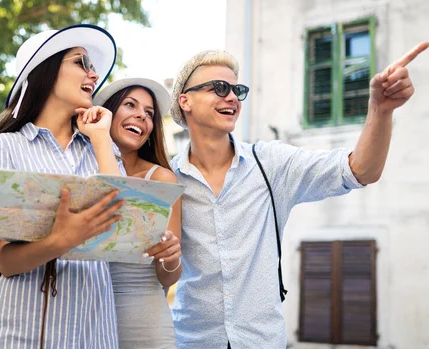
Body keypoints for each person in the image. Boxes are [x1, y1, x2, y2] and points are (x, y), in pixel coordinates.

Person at [167, 43, 429, 349]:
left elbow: (359, 170)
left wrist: (380, 110)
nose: (231, 97)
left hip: (262, 342)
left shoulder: (271, 164)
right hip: (191, 341)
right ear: (185, 100)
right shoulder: (167, 178)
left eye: (237, 90)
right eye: (219, 87)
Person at [0, 24, 126, 349]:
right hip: (24, 334)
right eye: (80, 62)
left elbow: (123, 227)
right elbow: (6, 262)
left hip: (94, 333)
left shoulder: (101, 147)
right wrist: (62, 240)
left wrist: (101, 137)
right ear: (45, 70)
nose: (93, 74)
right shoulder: (6, 146)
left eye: (93, 67)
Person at [93, 78, 182, 348]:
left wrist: (170, 257)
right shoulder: (76, 165)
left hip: (144, 320)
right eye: (130, 104)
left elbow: (169, 276)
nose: (141, 115)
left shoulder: (161, 179)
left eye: (149, 113)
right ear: (107, 112)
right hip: (84, 314)